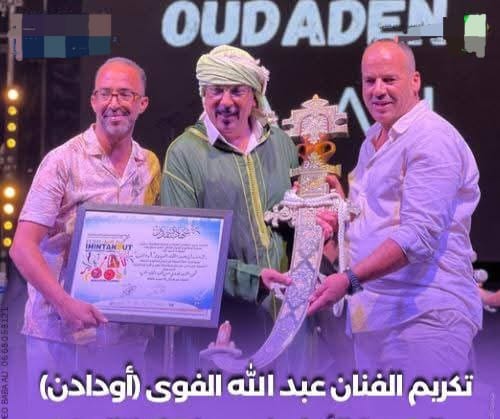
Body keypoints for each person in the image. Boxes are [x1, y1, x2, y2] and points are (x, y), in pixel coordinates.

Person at [307, 39, 482, 378]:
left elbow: (418, 237)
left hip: (425, 318)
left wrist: (349, 279)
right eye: (369, 81)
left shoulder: (431, 137)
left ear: (415, 81)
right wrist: (340, 216)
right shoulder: (374, 138)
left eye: (389, 79)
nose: (378, 90)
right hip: (375, 318)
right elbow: (374, 222)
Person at [161, 45, 318, 373]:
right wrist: (251, 279)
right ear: (203, 94)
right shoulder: (184, 154)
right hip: (225, 324)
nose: (226, 101)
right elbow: (183, 253)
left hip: (288, 318)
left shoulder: (280, 144)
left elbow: (296, 223)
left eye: (237, 90)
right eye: (216, 90)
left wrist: (320, 219)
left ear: (255, 96)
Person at [9, 57, 160, 391]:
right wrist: (66, 305)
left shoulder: (148, 164)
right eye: (105, 93)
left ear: (142, 104)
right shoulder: (61, 161)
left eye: (125, 94)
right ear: (93, 101)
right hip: (59, 337)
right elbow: (22, 247)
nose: (114, 103)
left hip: (125, 338)